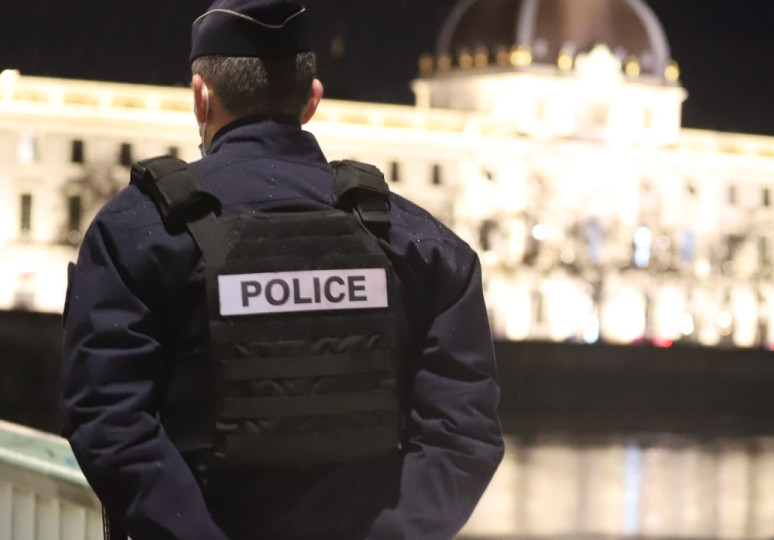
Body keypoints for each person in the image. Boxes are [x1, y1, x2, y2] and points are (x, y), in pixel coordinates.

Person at [60, 1, 504, 538]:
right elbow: (462, 435)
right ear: (312, 99)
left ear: (201, 97)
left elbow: (109, 421)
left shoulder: (134, 233)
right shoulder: (422, 245)